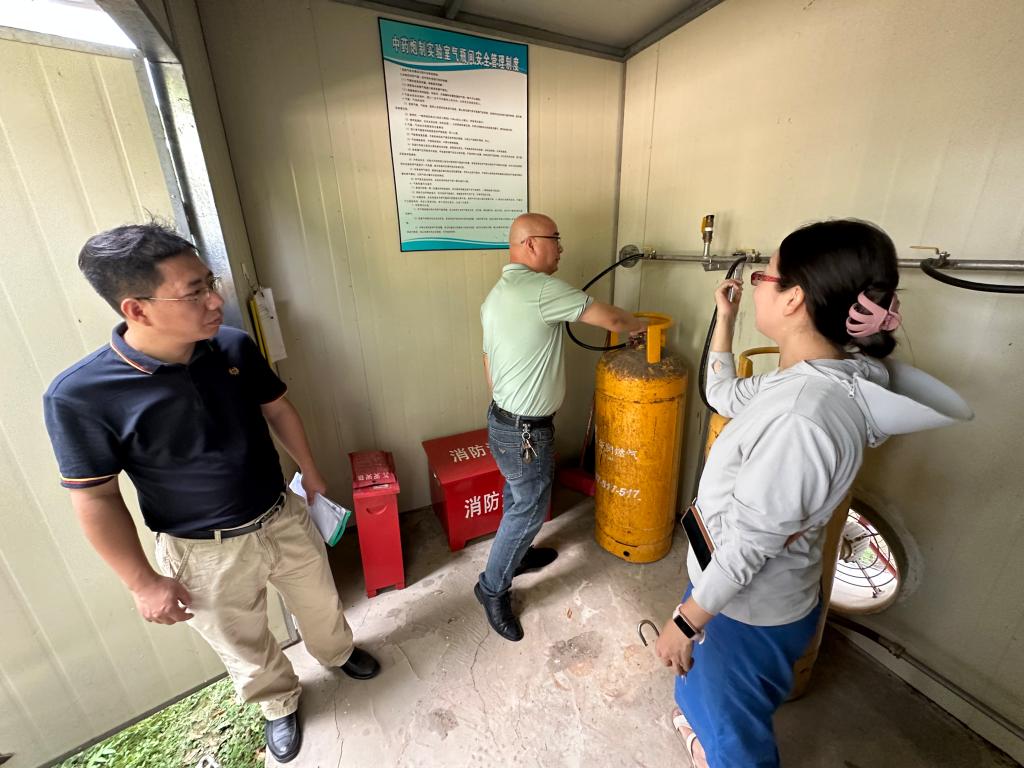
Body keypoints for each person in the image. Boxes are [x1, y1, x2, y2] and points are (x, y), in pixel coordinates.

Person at [42, 223, 379, 764]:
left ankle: (338, 654)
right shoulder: (80, 395)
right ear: (137, 309)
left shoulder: (231, 345)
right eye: (194, 292)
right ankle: (278, 702)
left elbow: (277, 409)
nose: (215, 300)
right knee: (242, 640)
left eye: (209, 283)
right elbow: (95, 497)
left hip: (281, 516)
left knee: (321, 602)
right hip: (202, 551)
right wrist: (141, 582)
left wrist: (311, 473)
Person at [654, 219, 972, 767]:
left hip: (748, 609)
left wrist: (685, 622)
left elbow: (750, 546)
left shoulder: (803, 417)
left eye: (764, 275)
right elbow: (724, 394)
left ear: (794, 298)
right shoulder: (817, 376)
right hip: (726, 582)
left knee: (737, 736)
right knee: (714, 700)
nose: (757, 283)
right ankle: (705, 731)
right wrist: (725, 320)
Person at [476, 212, 648, 641]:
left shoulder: (496, 296)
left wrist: (512, 407)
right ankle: (492, 588)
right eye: (555, 238)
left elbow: (488, 360)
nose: (562, 247)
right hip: (525, 432)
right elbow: (612, 320)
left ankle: (516, 556)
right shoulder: (540, 290)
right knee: (528, 508)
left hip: (502, 421)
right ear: (530, 244)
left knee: (517, 496)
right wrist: (643, 326)